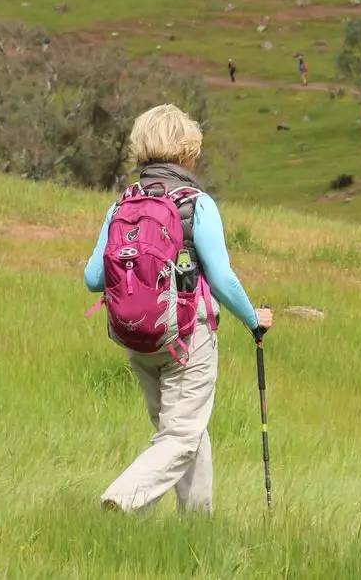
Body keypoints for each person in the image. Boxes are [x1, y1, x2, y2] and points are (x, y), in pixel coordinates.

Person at [83, 104, 272, 515]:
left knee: (186, 433)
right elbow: (222, 278)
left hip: (138, 336)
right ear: (188, 150)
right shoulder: (196, 203)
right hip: (187, 338)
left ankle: (196, 526)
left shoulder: (122, 205)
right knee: (181, 438)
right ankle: (122, 499)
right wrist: (254, 318)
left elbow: (93, 278)